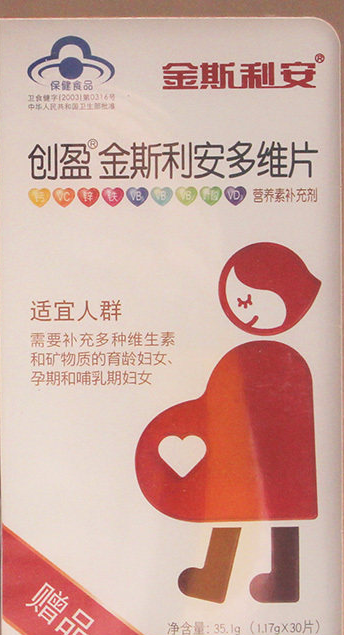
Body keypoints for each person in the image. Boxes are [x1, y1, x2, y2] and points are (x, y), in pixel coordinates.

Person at [134, 242, 320, 604]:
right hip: (254, 460)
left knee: (273, 518)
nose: (245, 311)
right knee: (232, 506)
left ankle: (279, 581)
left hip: (277, 461)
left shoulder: (284, 360)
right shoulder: (251, 357)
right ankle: (217, 579)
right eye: (240, 300)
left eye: (255, 300)